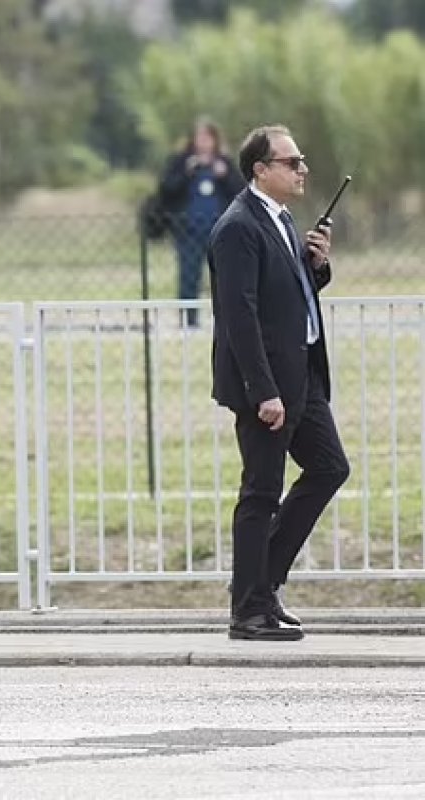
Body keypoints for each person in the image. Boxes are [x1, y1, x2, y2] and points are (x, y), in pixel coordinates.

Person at [208, 124, 350, 642]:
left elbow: (288, 296)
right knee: (261, 492)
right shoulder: (238, 228)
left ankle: (261, 582)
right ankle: (248, 610)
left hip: (302, 375)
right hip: (268, 383)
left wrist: (318, 265)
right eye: (291, 162)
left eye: (302, 160)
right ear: (260, 171)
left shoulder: (282, 220)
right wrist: (262, 390)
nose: (302, 169)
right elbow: (240, 317)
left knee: (330, 467)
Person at [158, 118, 245, 327]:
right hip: (188, 229)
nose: (204, 142)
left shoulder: (224, 163)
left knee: (225, 275)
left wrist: (224, 175)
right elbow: (166, 190)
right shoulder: (181, 161)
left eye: (208, 137)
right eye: (200, 137)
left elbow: (241, 192)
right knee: (189, 274)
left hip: (220, 230)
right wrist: (185, 173)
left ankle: (226, 319)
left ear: (215, 140)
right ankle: (189, 319)